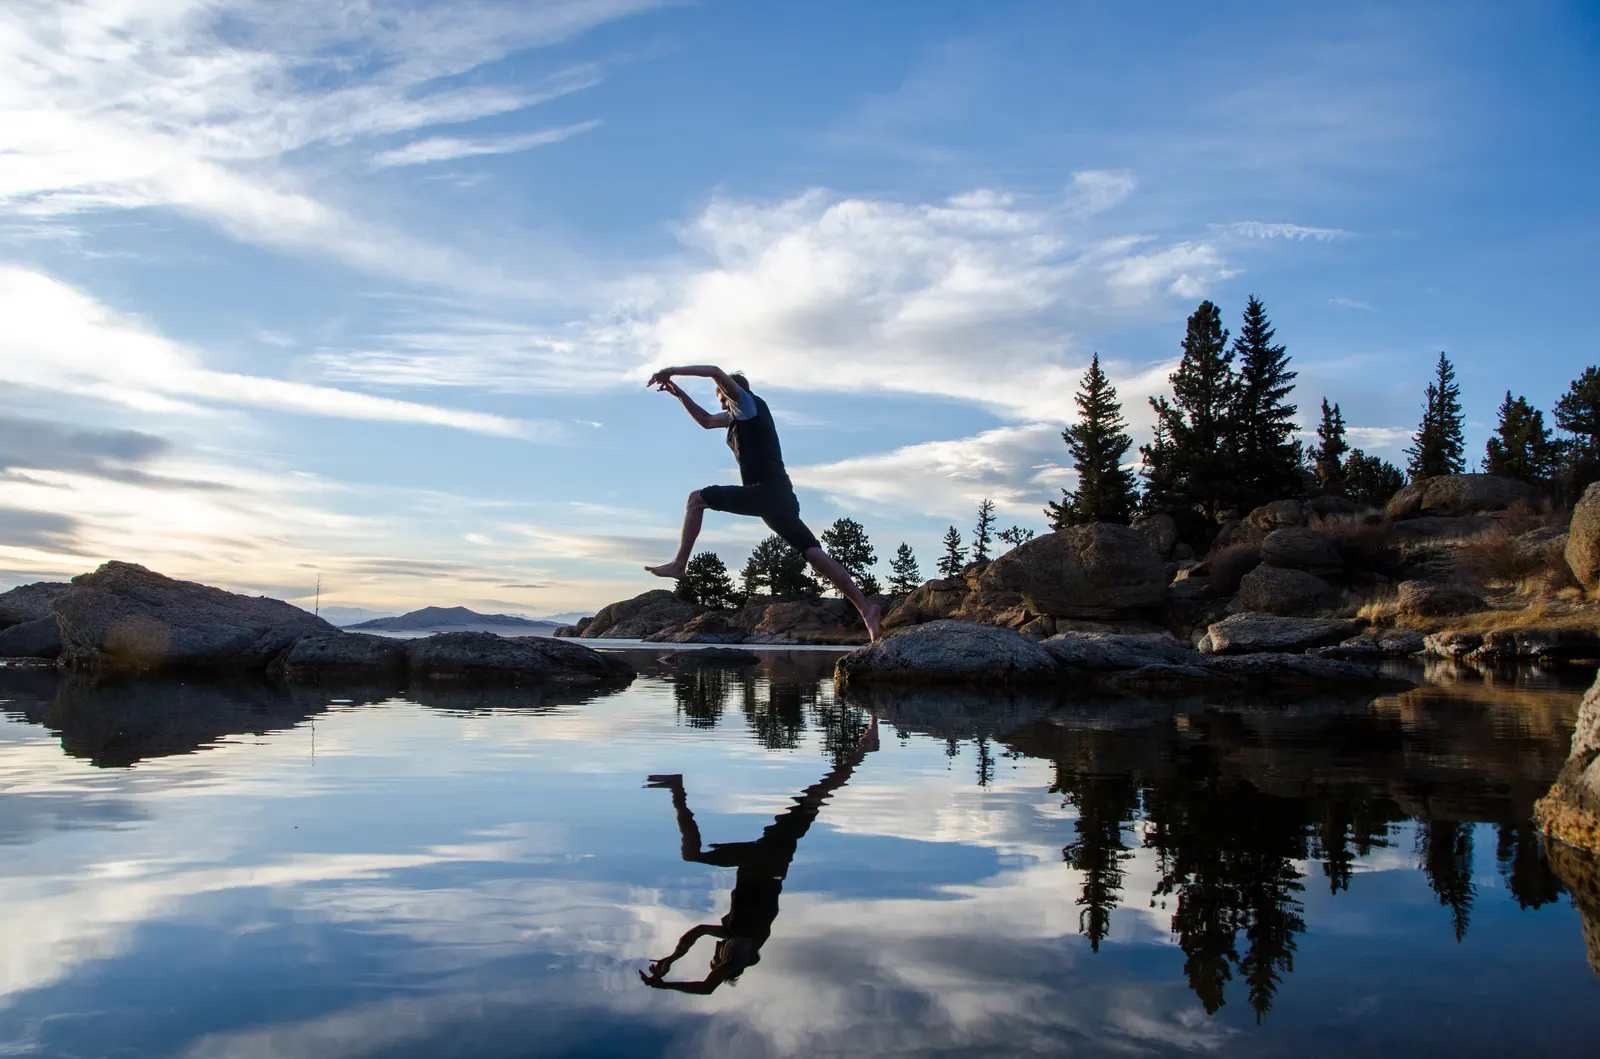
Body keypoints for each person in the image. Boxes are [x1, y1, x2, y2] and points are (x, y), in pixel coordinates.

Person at [639, 716, 879, 994]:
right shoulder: (743, 947)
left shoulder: (734, 934)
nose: (715, 955)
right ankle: (865, 748)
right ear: (723, 962)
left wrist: (672, 957)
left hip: (759, 859)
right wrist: (665, 986)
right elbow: (708, 986)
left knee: (817, 794)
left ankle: (676, 788)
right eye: (715, 959)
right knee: (819, 793)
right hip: (769, 857)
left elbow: (696, 933)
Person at [644, 365, 882, 641]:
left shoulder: (746, 404)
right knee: (815, 556)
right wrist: (679, 394)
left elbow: (714, 371)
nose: (721, 401)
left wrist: (671, 371)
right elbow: (707, 420)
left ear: (733, 391)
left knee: (696, 499)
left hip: (766, 492)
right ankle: (866, 608)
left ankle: (679, 564)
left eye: (722, 395)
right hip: (779, 497)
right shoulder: (737, 416)